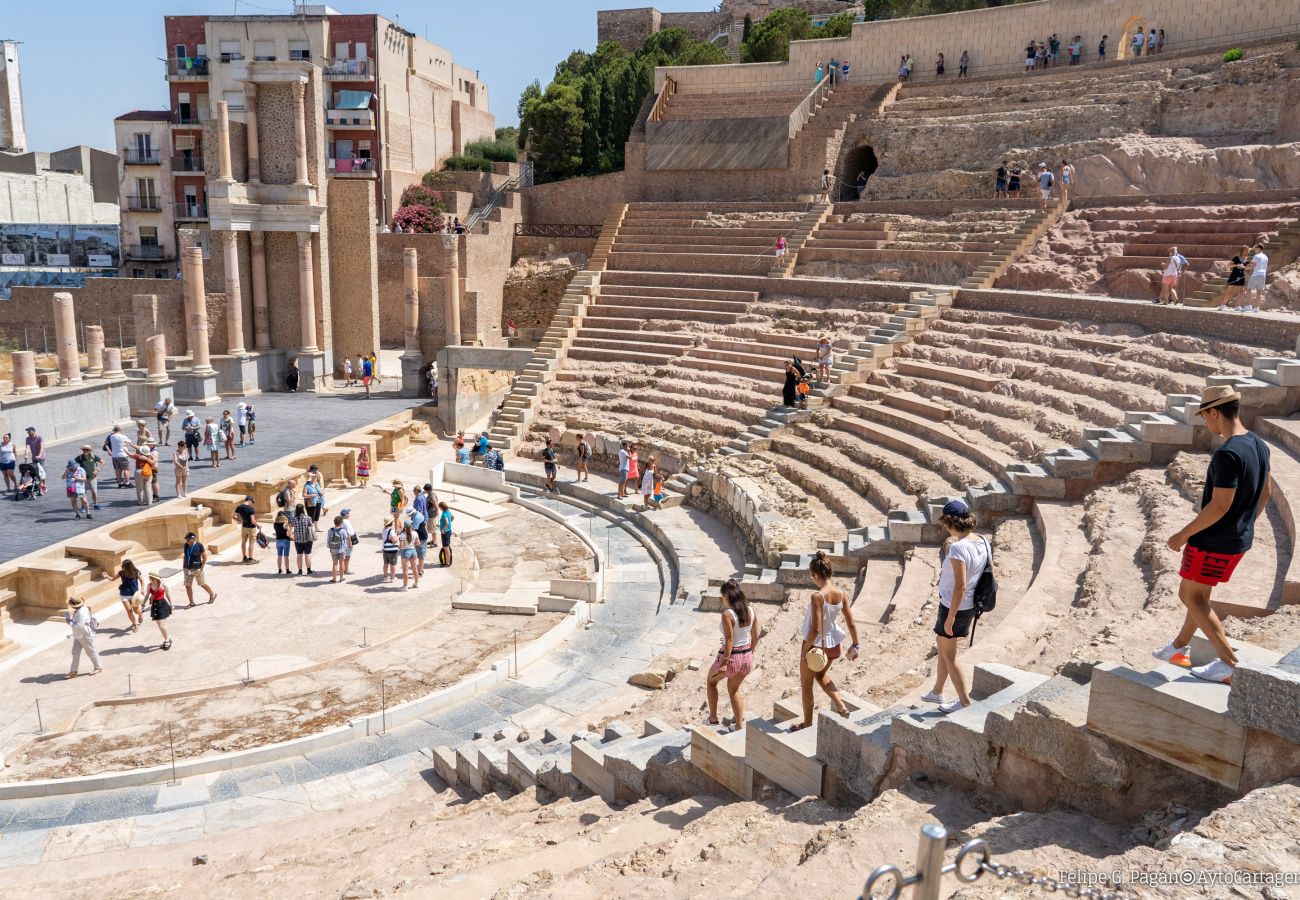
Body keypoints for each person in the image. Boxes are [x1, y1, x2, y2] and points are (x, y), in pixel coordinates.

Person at [1159, 387, 1270, 684]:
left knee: (1189, 595)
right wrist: (1244, 523)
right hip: (1236, 540)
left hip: (1213, 542)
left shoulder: (1228, 454)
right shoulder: (1258, 444)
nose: (1205, 424)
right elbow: (1266, 491)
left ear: (1214, 412)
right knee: (1200, 595)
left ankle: (1229, 664)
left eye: (1205, 416)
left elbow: (1220, 505)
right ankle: (1178, 647)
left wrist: (1183, 534)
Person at [923, 500, 990, 713]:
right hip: (966, 605)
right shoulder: (982, 541)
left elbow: (960, 586)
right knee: (943, 645)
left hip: (955, 606)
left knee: (950, 655)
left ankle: (964, 702)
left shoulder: (958, 548)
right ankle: (937, 691)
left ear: (951, 523)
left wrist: (951, 617)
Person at [793, 551, 859, 730]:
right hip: (833, 644)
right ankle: (840, 704)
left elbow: (815, 629)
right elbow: (851, 623)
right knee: (821, 675)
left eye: (812, 576)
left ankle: (807, 723)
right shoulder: (841, 594)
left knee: (806, 685)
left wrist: (805, 650)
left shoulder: (817, 596)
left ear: (815, 575)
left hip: (816, 646)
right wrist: (856, 644)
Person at [706, 579, 759, 729]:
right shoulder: (751, 610)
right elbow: (756, 636)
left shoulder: (727, 614)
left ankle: (713, 718)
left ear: (726, 595)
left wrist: (724, 663)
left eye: (722, 596)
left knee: (711, 682)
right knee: (734, 690)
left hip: (731, 657)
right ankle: (739, 727)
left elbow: (729, 640)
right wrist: (749, 652)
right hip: (747, 656)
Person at [64, 596, 102, 678]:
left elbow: (79, 626)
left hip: (84, 635)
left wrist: (69, 622)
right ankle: (73, 671)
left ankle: (98, 667)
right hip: (78, 635)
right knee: (75, 653)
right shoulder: (80, 610)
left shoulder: (82, 612)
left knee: (91, 652)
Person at [181, 532, 217, 606]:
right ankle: (191, 602)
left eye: (188, 539)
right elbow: (185, 556)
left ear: (193, 539)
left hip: (197, 569)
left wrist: (201, 568)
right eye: (186, 539)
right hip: (187, 569)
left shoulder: (199, 545)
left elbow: (205, 557)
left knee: (202, 584)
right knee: (188, 586)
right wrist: (184, 566)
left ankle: (212, 595)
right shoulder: (186, 546)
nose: (186, 541)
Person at [144, 572, 173, 651]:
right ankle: (167, 639)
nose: (149, 579)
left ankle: (167, 640)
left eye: (151, 578)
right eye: (149, 578)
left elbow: (168, 594)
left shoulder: (163, 585)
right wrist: (143, 604)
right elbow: (147, 595)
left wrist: (171, 604)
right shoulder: (149, 585)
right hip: (155, 606)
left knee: (161, 626)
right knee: (160, 625)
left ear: (155, 578)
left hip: (162, 605)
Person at [118, 558, 143, 633]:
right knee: (129, 611)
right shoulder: (121, 572)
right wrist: (107, 576)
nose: (122, 567)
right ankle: (135, 624)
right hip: (124, 594)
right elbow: (112, 579)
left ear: (128, 566)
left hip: (134, 595)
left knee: (136, 610)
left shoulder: (136, 572)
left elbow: (142, 581)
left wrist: (143, 589)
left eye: (124, 566)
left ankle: (140, 614)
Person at [1220, 245, 1250, 310]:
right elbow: (1229, 265)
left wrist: (1248, 267)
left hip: (1241, 277)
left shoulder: (1247, 261)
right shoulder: (1236, 258)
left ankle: (1237, 306)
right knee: (1230, 292)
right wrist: (1237, 265)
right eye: (1246, 250)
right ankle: (1222, 305)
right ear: (1242, 251)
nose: (1247, 252)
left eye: (1248, 250)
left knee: (1241, 292)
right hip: (1234, 276)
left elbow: (1247, 269)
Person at [75, 443, 103, 510]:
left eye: (87, 450)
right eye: (84, 450)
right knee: (82, 492)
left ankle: (95, 504)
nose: (85, 451)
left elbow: (103, 462)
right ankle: (83, 505)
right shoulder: (80, 457)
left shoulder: (93, 457)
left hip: (92, 477)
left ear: (90, 450)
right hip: (82, 479)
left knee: (94, 492)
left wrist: (98, 470)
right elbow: (72, 464)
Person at [289, 503, 315, 576]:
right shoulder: (308, 518)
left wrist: (291, 536)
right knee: (308, 555)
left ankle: (300, 571)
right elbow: (311, 527)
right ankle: (309, 570)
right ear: (303, 509)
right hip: (307, 540)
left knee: (299, 555)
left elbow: (290, 528)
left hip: (297, 540)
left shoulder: (293, 519)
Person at [326, 514, 350, 583]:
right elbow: (346, 538)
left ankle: (334, 579)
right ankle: (341, 578)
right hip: (341, 549)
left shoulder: (330, 530)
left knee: (334, 563)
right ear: (341, 523)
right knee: (341, 563)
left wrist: (329, 546)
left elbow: (328, 540)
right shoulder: (342, 530)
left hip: (333, 549)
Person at [1245, 243, 1268, 311]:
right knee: (1259, 292)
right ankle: (1257, 308)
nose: (1254, 250)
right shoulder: (1266, 257)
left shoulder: (1256, 256)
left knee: (1248, 290)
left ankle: (1249, 306)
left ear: (1258, 248)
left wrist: (1245, 268)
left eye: (1255, 248)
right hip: (1263, 275)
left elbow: (1253, 266)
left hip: (1256, 275)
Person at [398, 522, 421, 589]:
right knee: (415, 569)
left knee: (405, 570)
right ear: (411, 526)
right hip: (413, 551)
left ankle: (405, 586)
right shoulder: (415, 533)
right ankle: (416, 583)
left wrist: (399, 547)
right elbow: (418, 543)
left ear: (404, 527)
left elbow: (401, 546)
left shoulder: (402, 535)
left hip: (405, 552)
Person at [235, 494, 258, 563]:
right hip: (251, 528)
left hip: (244, 527)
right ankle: (250, 559)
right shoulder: (250, 509)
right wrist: (258, 525)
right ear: (250, 500)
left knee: (243, 542)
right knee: (251, 543)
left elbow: (232, 515)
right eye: (252, 502)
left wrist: (238, 520)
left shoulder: (239, 507)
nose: (251, 503)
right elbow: (253, 521)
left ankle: (244, 557)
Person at [25, 426, 46, 493]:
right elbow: (27, 447)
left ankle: (44, 485)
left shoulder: (39, 438)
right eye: (28, 433)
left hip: (41, 457)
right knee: (35, 472)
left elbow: (42, 446)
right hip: (34, 457)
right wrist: (26, 455)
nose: (29, 434)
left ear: (34, 432)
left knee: (41, 471)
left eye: (30, 432)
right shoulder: (28, 439)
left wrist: (39, 455)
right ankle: (39, 485)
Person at [273, 507, 292, 575]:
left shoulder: (275, 524)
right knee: (286, 556)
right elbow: (289, 533)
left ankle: (279, 569)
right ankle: (287, 570)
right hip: (286, 541)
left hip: (278, 541)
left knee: (279, 556)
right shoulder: (285, 524)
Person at [380, 517, 400, 581]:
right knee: (393, 564)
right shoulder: (391, 531)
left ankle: (385, 577)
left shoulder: (384, 530)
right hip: (391, 550)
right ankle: (393, 577)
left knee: (386, 563)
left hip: (385, 549)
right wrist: (398, 536)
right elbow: (394, 541)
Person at [339, 508, 357, 576]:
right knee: (347, 556)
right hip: (347, 541)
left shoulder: (342, 521)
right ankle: (346, 569)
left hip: (343, 541)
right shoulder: (346, 522)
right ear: (346, 514)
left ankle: (343, 568)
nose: (349, 514)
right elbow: (348, 534)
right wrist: (350, 543)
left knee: (344, 555)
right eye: (348, 513)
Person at [437, 501, 454, 567]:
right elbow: (453, 517)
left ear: (441, 507)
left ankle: (447, 563)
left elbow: (446, 522)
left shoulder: (444, 514)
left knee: (446, 548)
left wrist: (444, 529)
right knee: (447, 546)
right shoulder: (448, 511)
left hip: (445, 533)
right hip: (449, 531)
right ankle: (448, 561)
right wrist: (449, 524)